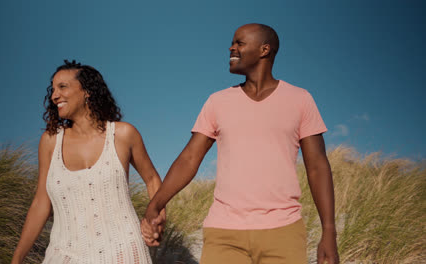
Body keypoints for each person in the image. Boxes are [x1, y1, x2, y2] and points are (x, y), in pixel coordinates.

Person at [142, 24, 339, 264]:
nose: (231, 47)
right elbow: (189, 158)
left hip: (284, 231)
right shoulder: (217, 102)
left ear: (264, 49)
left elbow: (317, 166)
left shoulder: (300, 100)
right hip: (223, 233)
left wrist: (329, 231)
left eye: (239, 43)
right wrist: (157, 203)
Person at [11, 60, 165, 264]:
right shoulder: (50, 141)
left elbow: (152, 179)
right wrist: (17, 259)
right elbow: (41, 202)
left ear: (87, 91)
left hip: (123, 251)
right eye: (53, 89)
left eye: (62, 87)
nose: (54, 95)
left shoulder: (123, 134)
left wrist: (158, 218)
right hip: (63, 255)